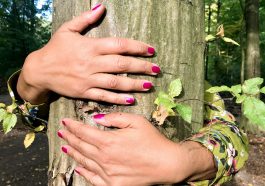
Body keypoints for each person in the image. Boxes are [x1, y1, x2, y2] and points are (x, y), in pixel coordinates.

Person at [7, 4, 248, 186]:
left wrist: (184, 162)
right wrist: (31, 76)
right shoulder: (61, 53)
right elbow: (33, 119)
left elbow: (233, 134)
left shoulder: (190, 79)